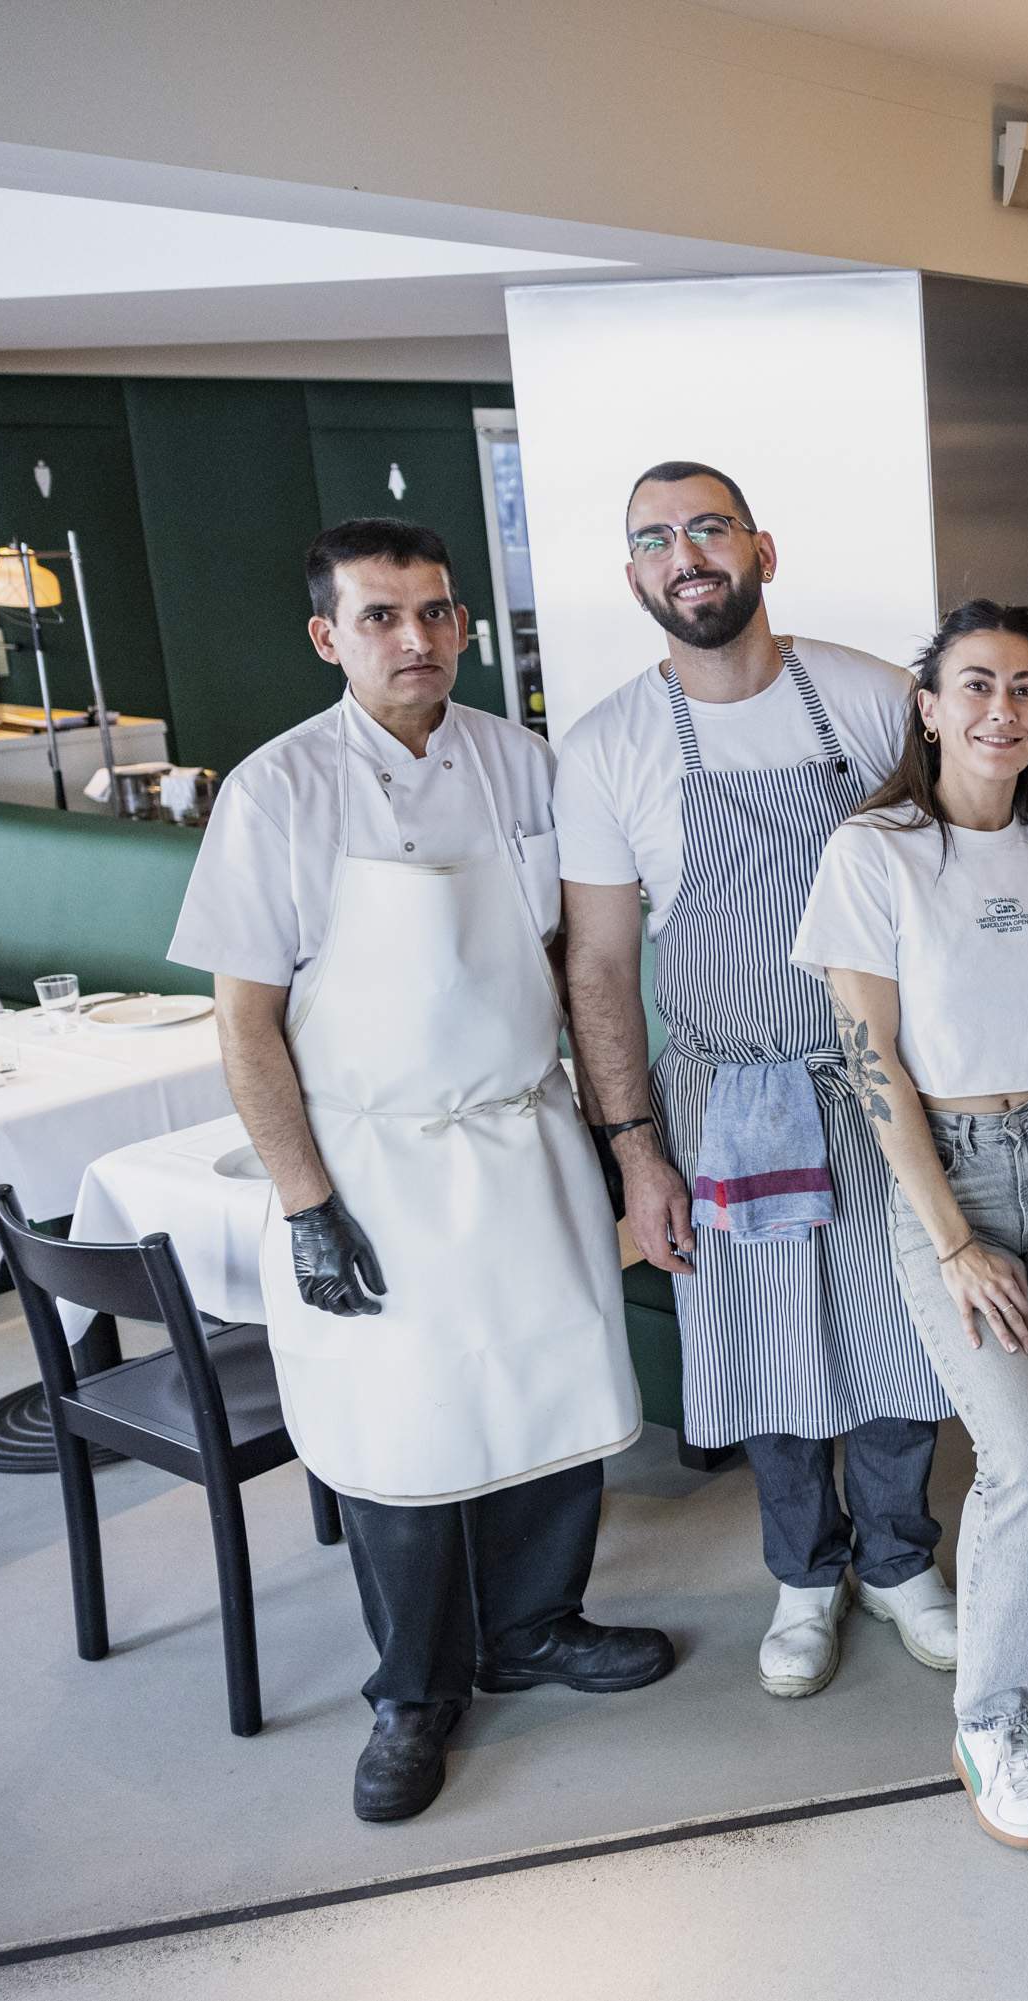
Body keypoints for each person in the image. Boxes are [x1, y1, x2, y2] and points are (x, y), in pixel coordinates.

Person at [173, 517, 670, 1824]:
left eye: (437, 613)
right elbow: (246, 1024)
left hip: (522, 1129)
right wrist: (307, 1204)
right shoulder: (276, 792)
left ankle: (539, 1625)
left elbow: (583, 963)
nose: (417, 639)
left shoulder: (523, 763)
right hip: (370, 1158)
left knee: (555, 1402)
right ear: (329, 637)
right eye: (383, 617)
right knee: (401, 1437)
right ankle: (412, 1689)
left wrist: (623, 1140)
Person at [559, 463, 959, 1704]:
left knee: (902, 1334)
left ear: (763, 550)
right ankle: (803, 1574)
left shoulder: (876, 700)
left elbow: (948, 883)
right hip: (730, 1099)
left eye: (710, 529)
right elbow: (604, 966)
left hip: (884, 1079)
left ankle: (902, 1564)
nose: (687, 555)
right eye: (657, 540)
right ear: (635, 578)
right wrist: (637, 1154)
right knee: (768, 1352)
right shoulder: (607, 747)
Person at [793, 599, 1028, 1852]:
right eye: (977, 685)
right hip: (956, 1175)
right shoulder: (872, 853)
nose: (1005, 710)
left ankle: (1027, 1661)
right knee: (1025, 1458)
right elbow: (868, 1053)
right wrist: (951, 1237)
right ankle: (991, 1722)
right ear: (929, 709)